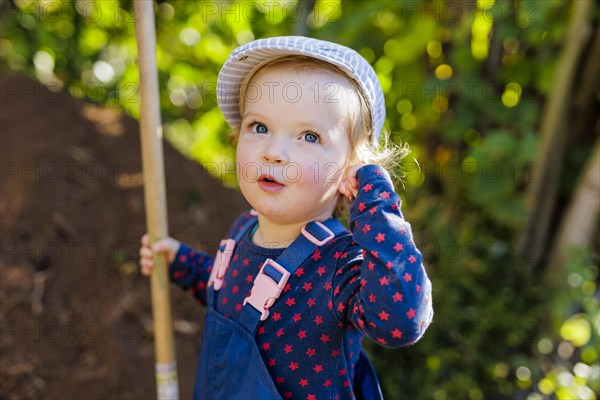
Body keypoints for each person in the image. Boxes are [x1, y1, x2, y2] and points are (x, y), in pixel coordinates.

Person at [140, 36, 433, 400]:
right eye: (259, 127)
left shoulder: (340, 266)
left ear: (351, 170)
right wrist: (182, 264)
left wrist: (376, 201)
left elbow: (403, 319)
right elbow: (233, 290)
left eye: (309, 136)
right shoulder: (244, 228)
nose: (274, 152)